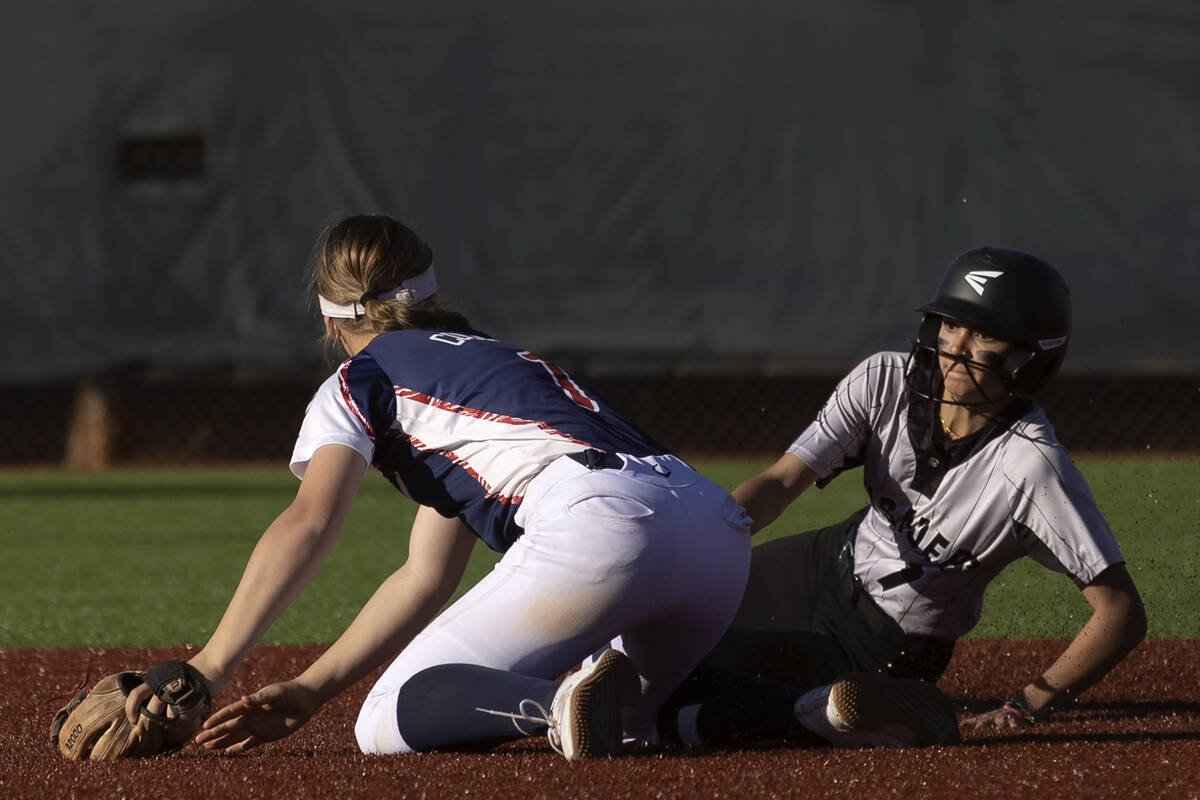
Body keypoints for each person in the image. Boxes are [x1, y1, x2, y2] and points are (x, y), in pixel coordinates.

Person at [124, 213, 753, 759]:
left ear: (330, 315)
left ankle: (558, 703)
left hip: (607, 524)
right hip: (716, 530)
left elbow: (310, 521)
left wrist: (210, 667)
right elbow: (424, 575)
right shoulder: (491, 359)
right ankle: (809, 706)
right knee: (634, 723)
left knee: (385, 718)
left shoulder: (360, 379)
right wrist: (310, 689)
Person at [658, 247, 1147, 748]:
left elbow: (1121, 612)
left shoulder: (1031, 468)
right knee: (664, 629)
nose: (957, 346)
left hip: (888, 640)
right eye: (951, 324)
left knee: (703, 702)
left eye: (985, 334)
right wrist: (702, 547)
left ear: (1032, 356)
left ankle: (892, 714)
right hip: (821, 562)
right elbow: (781, 483)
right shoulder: (884, 380)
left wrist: (1024, 706)